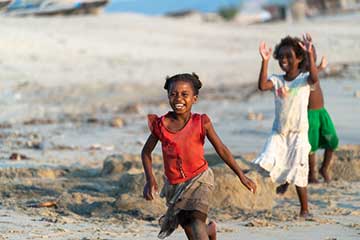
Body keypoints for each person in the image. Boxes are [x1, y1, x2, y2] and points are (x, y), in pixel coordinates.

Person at [141, 73, 256, 239]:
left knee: (195, 222)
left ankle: (205, 231)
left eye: (184, 94)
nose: (178, 98)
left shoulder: (201, 122)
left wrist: (241, 175)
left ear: (194, 98)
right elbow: (146, 152)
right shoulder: (161, 125)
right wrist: (149, 179)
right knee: (190, 228)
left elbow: (221, 149)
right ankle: (210, 230)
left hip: (200, 180)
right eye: (173, 94)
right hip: (175, 185)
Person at [253, 34, 318, 218]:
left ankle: (304, 208)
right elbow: (261, 86)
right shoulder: (276, 80)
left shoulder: (304, 79)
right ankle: (284, 180)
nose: (284, 60)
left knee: (299, 170)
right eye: (281, 57)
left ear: (299, 58)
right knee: (268, 159)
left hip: (298, 133)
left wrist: (310, 54)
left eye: (289, 56)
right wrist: (264, 61)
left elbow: (315, 77)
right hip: (279, 132)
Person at [307, 51, 339, 183]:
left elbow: (314, 73)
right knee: (311, 146)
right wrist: (320, 67)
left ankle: (324, 168)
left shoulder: (313, 70)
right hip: (310, 115)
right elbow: (311, 76)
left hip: (322, 112)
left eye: (313, 53)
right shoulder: (300, 73)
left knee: (332, 140)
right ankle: (311, 174)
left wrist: (320, 67)